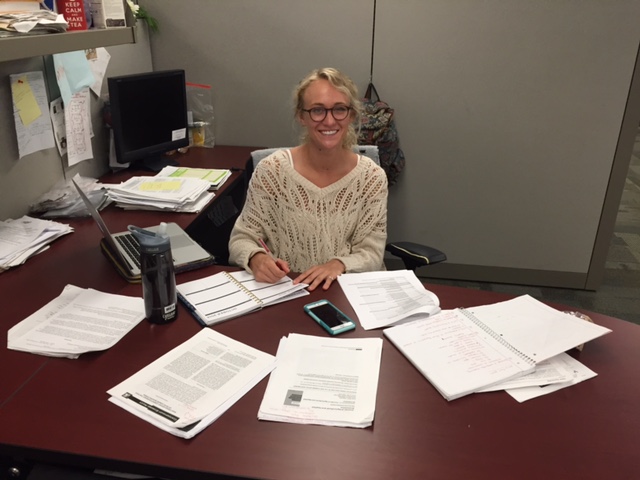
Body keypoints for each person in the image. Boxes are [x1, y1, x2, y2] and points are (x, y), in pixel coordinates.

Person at [228, 67, 388, 291]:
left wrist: (339, 264)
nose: (329, 121)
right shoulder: (272, 171)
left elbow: (372, 252)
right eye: (317, 110)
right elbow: (242, 238)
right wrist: (256, 258)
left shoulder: (371, 177)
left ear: (351, 114)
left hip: (350, 292)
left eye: (339, 109)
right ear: (301, 116)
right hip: (288, 291)